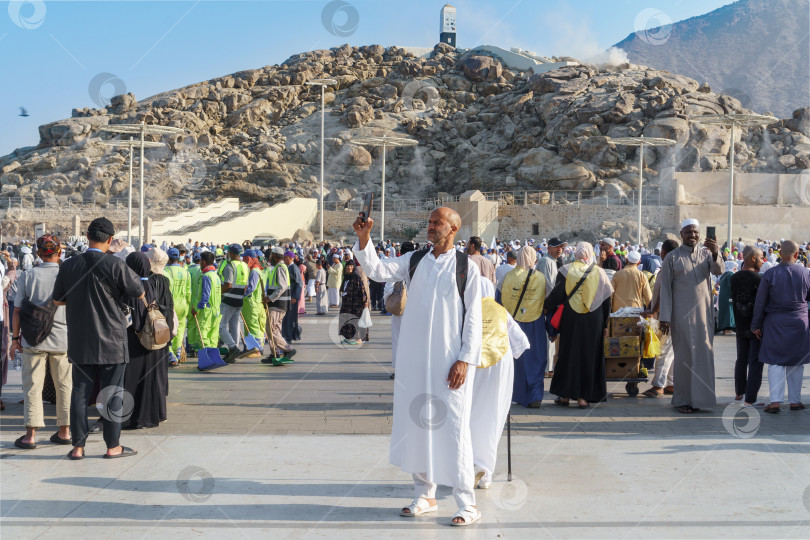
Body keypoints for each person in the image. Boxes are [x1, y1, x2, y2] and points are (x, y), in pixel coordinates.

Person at [353, 207, 484, 526]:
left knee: (454, 429)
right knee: (418, 425)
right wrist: (364, 237)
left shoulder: (466, 267)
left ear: (453, 228)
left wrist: (465, 358)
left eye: (436, 223)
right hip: (415, 363)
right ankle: (424, 493)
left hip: (450, 362)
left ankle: (467, 501)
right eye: (429, 222)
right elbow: (378, 270)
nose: (430, 227)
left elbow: (473, 319)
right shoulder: (415, 261)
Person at [53, 217, 144, 459]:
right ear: (111, 239)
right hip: (113, 340)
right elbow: (138, 291)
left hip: (81, 338)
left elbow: (58, 300)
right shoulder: (115, 265)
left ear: (86, 236)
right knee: (113, 393)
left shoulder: (69, 265)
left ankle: (78, 447)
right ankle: (113, 445)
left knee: (80, 394)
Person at [12, 235, 71, 450]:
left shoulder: (28, 276)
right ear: (59, 253)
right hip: (63, 340)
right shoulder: (67, 275)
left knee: (32, 386)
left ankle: (30, 435)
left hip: (33, 339)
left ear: (38, 254)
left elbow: (17, 311)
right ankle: (64, 431)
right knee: (64, 385)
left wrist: (15, 339)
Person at [658, 219, 723, 414]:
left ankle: (703, 399)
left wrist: (715, 252)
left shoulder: (706, 254)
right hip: (681, 317)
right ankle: (683, 400)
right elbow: (666, 290)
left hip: (704, 317)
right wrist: (665, 317)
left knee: (704, 357)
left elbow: (718, 270)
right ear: (681, 234)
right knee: (684, 358)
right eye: (688, 232)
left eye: (695, 232)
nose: (692, 235)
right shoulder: (672, 257)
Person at [470, 279, 529, 489]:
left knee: (469, 416)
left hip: (470, 367)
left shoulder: (465, 310)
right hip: (498, 367)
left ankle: (467, 466)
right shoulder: (502, 312)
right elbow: (521, 345)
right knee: (493, 416)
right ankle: (485, 472)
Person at [546, 242, 614, 408]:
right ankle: (583, 397)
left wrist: (545, 307)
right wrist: (605, 324)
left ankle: (565, 396)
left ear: (576, 253)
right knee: (589, 355)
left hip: (572, 318)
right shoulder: (599, 272)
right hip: (594, 320)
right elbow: (606, 301)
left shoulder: (566, 270)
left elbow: (558, 295)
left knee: (569, 353)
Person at [751, 240, 809, 413]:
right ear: (797, 254)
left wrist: (756, 325)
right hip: (799, 322)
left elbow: (760, 303)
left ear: (779, 253)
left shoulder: (770, 274)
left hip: (775, 322)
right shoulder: (805, 273)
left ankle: (775, 402)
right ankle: (795, 401)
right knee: (796, 363)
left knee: (775, 362)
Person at [122, 252, 174, 429]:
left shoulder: (131, 286)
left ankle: (131, 418)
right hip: (152, 338)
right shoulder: (152, 283)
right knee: (149, 380)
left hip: (134, 339)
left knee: (132, 379)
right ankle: (149, 417)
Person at [498, 245, 551, 408]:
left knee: (518, 359)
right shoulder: (540, 277)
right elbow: (548, 300)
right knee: (536, 358)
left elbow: (499, 300)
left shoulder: (508, 277)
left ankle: (519, 395)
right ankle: (535, 395)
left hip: (513, 323)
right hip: (535, 322)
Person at [640, 239, 679, 398]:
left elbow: (666, 294)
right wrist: (650, 308)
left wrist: (653, 311)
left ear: (664, 252)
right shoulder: (667, 268)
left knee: (664, 351)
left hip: (667, 317)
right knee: (669, 352)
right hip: (662, 315)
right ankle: (671, 383)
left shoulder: (671, 269)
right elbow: (657, 293)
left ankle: (658, 385)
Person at [729, 246, 765, 406]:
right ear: (752, 258)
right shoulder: (758, 280)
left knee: (741, 359)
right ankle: (750, 399)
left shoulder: (733, 278)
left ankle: (739, 393)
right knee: (755, 361)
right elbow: (760, 305)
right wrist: (757, 325)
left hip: (740, 324)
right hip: (755, 327)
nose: (763, 261)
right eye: (761, 257)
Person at [383, 241, 416, 377]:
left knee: (398, 339)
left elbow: (388, 289)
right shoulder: (419, 265)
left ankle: (399, 370)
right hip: (415, 310)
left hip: (400, 311)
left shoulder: (396, 264)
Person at [263, 247, 296, 361]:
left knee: (271, 329)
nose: (270, 257)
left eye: (272, 255)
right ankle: (275, 353)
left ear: (276, 256)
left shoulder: (280, 268)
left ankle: (287, 349)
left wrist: (270, 298)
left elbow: (282, 287)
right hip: (277, 304)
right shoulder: (277, 267)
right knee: (275, 329)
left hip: (278, 304)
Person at [190, 252, 223, 364]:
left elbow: (205, 296)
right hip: (216, 310)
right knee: (213, 336)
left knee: (203, 336)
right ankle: (213, 359)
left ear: (203, 262)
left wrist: (197, 309)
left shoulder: (206, 276)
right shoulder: (216, 276)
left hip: (207, 311)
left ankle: (206, 360)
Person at [219, 244, 249, 363]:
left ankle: (232, 347)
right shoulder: (245, 266)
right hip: (239, 299)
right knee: (234, 325)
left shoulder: (229, 266)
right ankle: (234, 350)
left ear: (231, 254)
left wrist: (218, 293)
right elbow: (246, 286)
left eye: (228, 252)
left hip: (228, 299)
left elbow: (228, 284)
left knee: (221, 326)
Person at [163, 247, 191, 366]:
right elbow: (189, 291)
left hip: (172, 304)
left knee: (168, 329)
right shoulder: (186, 271)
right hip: (183, 304)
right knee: (180, 330)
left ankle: (170, 355)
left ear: (168, 259)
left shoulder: (167, 271)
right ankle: (178, 354)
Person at [241, 249, 266, 357]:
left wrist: (241, 295)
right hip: (252, 303)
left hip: (252, 303)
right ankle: (250, 348)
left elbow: (251, 287)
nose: (244, 261)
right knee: (249, 327)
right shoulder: (255, 270)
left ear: (251, 259)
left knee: (253, 327)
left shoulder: (255, 271)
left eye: (246, 259)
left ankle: (257, 349)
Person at [338, 261, 368, 345]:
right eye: (347, 266)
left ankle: (359, 339)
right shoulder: (346, 277)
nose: (349, 267)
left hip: (356, 303)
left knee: (356, 320)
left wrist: (365, 301)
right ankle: (348, 337)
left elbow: (362, 290)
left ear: (354, 267)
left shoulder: (356, 277)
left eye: (351, 266)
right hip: (347, 303)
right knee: (345, 319)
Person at [282, 251, 302, 343]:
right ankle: (287, 334)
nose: (284, 259)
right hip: (287, 296)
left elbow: (299, 283)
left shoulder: (294, 268)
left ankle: (290, 336)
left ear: (290, 258)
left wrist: (295, 296)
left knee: (291, 317)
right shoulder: (287, 267)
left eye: (285, 257)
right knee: (287, 317)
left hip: (292, 297)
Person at [186, 252, 203, 353]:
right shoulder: (201, 271)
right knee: (199, 325)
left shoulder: (188, 270)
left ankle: (191, 346)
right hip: (198, 300)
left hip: (188, 300)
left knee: (191, 325)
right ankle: (197, 346)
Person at [717, 263, 736, 334]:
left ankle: (724, 328)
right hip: (729, 297)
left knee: (724, 312)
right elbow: (731, 287)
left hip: (723, 297)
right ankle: (727, 329)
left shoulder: (723, 275)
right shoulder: (730, 275)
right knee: (729, 312)